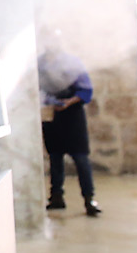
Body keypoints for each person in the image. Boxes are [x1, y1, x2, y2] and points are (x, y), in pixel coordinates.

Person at [38, 47, 100, 216]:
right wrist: (50, 101)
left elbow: (85, 89)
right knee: (55, 158)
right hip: (52, 116)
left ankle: (89, 199)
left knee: (81, 159)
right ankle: (56, 197)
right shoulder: (39, 64)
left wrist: (69, 101)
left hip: (73, 116)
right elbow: (36, 89)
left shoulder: (71, 62)